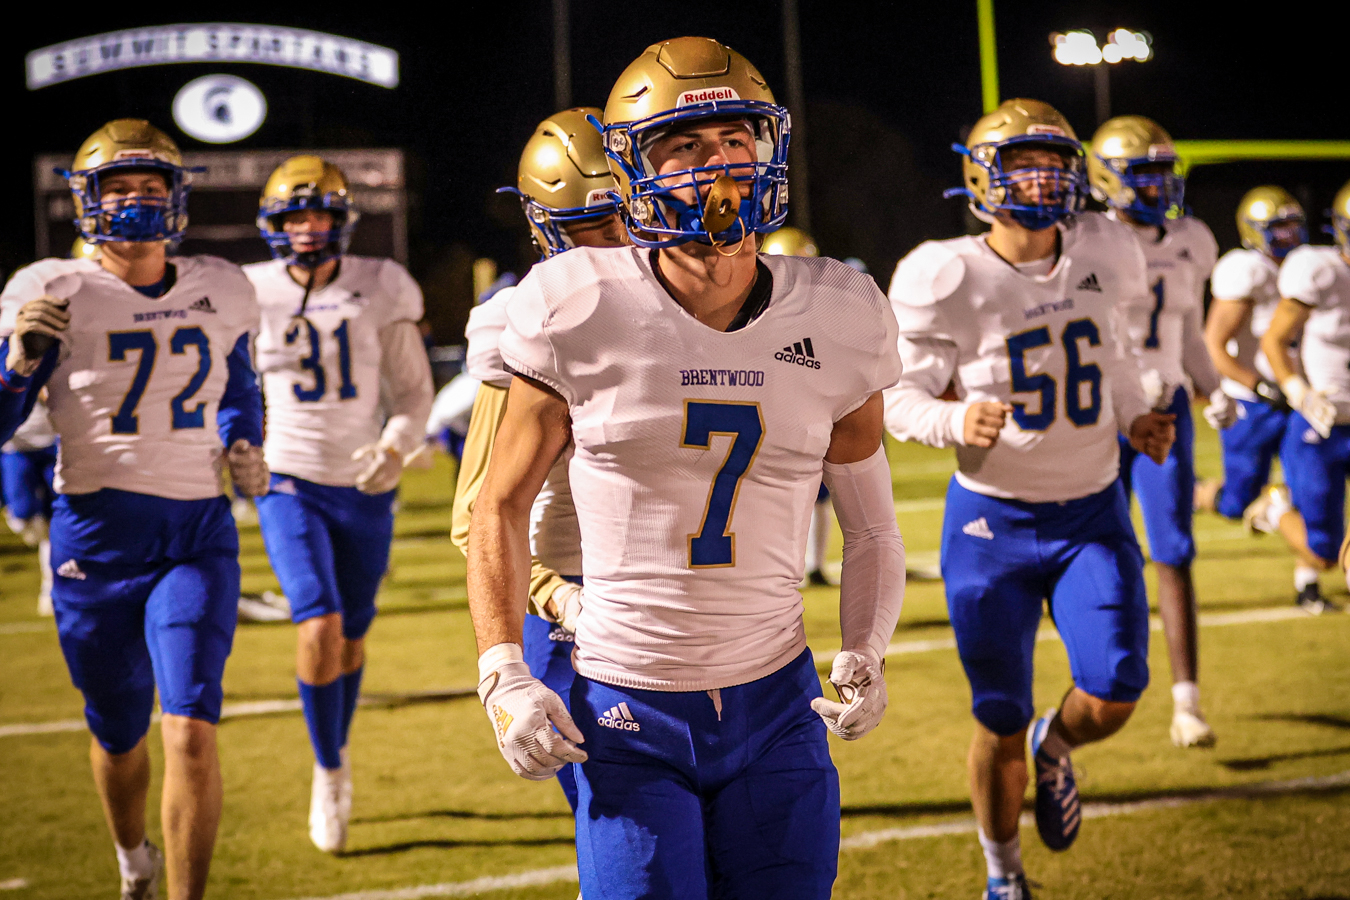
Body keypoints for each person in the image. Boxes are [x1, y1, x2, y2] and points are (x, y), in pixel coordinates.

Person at [467, 37, 906, 899]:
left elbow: (873, 525)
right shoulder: (572, 304)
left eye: (736, 139)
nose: (719, 166)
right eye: (686, 146)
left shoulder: (843, 311)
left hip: (779, 701)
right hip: (627, 704)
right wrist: (502, 672)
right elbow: (495, 506)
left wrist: (869, 647)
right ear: (632, 168)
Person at [884, 99, 1175, 900]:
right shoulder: (945, 272)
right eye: (1022, 164)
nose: (1042, 179)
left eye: (1053, 162)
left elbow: (1114, 355)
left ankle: (1058, 744)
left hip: (1092, 510)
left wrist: (1135, 415)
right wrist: (950, 416)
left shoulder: (1106, 249)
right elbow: (893, 397)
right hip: (992, 521)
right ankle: (1004, 873)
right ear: (982, 176)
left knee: (1116, 689)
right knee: (998, 711)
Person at [0, 119, 267, 900]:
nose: (135, 203)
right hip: (96, 537)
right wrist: (15, 366)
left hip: (195, 531)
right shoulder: (50, 286)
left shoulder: (222, 283)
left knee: (188, 727)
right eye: (117, 189)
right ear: (85, 200)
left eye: (151, 188)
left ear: (177, 197)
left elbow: (239, 384)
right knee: (117, 734)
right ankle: (132, 860)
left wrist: (245, 438)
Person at [244, 155, 434, 852]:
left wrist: (395, 444)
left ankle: (337, 746)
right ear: (274, 224)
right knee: (318, 626)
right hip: (287, 477)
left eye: (320, 213)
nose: (307, 227)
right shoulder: (249, 291)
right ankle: (327, 772)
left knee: (352, 636)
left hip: (364, 482)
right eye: (295, 216)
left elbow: (414, 391)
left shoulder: (379, 284)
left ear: (342, 219)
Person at [450, 106, 625, 814]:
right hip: (575, 601)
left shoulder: (705, 304)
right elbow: (476, 513)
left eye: (626, 214)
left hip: (686, 591)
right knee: (621, 814)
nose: (617, 240)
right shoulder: (525, 323)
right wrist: (555, 593)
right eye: (591, 224)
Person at [1086, 115, 1233, 748]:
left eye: (1162, 173)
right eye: (1143, 174)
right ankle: (1099, 681)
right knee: (1097, 548)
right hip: (1096, 411)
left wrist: (1214, 386)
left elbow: (1191, 333)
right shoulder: (1083, 238)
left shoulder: (1191, 239)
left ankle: (1186, 700)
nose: (1158, 186)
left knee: (1173, 551)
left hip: (1167, 406)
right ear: (1108, 180)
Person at [1253, 178, 1350, 614]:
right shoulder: (1321, 270)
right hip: (1321, 424)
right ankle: (1275, 509)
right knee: (1324, 554)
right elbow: (1274, 340)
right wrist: (1299, 392)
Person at [1198, 187, 1308, 522]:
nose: (1287, 235)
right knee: (1237, 503)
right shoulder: (1247, 269)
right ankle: (1197, 491)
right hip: (1252, 400)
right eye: (1278, 227)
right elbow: (1213, 344)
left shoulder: (1307, 266)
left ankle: (1307, 568)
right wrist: (1259, 385)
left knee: (1311, 486)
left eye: (1292, 225)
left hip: (1295, 394)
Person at [761, 225, 839, 587]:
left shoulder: (825, 315)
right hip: (771, 420)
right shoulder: (758, 318)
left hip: (812, 415)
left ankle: (812, 565)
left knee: (819, 495)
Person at [2, 393, 57, 615]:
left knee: (56, 521)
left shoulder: (51, 359)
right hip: (16, 447)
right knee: (22, 513)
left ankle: (51, 586)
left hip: (52, 443)